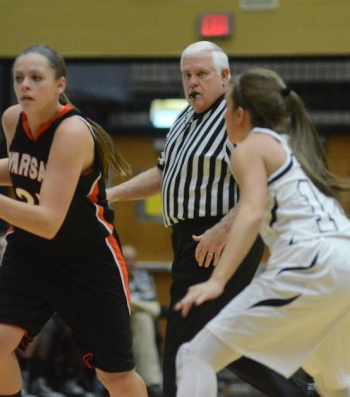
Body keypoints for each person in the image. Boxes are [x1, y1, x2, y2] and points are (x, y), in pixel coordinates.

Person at [106, 41, 316, 397]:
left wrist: (221, 231)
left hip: (220, 234)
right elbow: (163, 174)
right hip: (190, 236)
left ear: (224, 76)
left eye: (201, 74)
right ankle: (299, 393)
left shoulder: (234, 118)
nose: (193, 82)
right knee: (218, 334)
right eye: (187, 75)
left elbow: (260, 187)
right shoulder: (184, 118)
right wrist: (111, 195)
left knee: (182, 334)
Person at [0, 44, 147, 397]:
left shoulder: (72, 132)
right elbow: (22, 168)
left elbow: (49, 220)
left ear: (59, 85)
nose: (26, 86)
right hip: (31, 254)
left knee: (115, 376)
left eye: (37, 78)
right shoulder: (12, 120)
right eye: (19, 78)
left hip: (85, 258)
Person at [173, 67, 350, 397]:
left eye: (225, 110)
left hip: (313, 262)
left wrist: (217, 281)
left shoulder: (251, 147)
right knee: (335, 384)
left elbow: (251, 212)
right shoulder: (294, 150)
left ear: (239, 115)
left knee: (196, 354)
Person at [123, 244, 163, 397]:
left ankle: (151, 383)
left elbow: (151, 301)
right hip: (119, 319)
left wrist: (132, 303)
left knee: (142, 318)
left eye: (133, 259)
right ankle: (152, 382)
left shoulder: (144, 276)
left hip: (138, 316)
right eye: (127, 259)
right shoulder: (114, 274)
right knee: (144, 315)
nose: (131, 263)